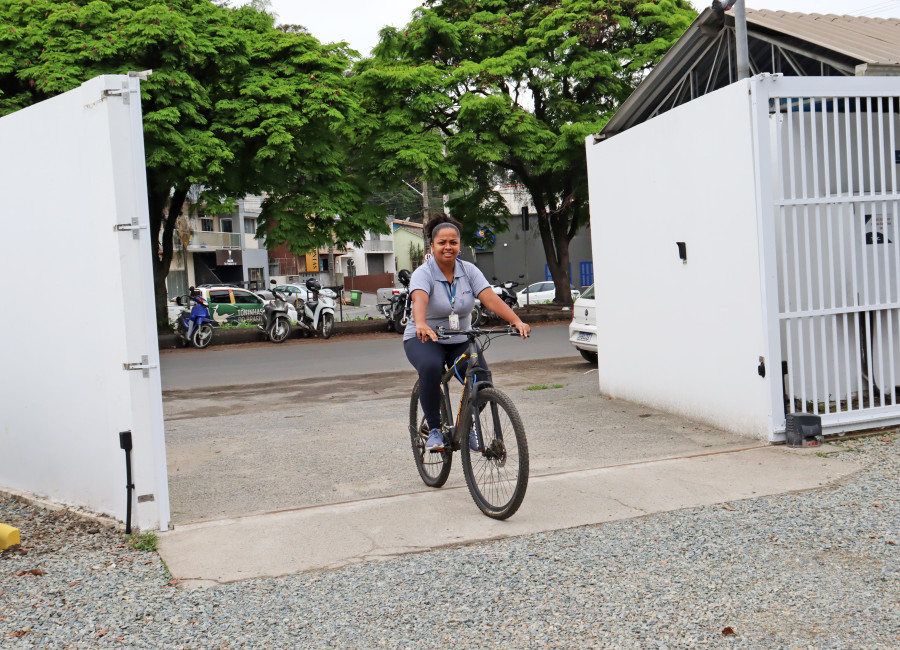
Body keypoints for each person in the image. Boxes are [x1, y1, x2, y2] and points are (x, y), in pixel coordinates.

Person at [404, 213, 530, 452]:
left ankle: (467, 425)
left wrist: (516, 320)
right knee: (430, 367)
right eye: (442, 243)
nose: (448, 247)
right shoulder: (424, 273)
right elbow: (419, 299)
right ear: (432, 246)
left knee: (482, 381)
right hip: (424, 337)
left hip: (460, 337)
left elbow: (490, 298)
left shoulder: (469, 271)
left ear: (460, 246)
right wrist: (420, 323)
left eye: (453, 242)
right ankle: (434, 430)